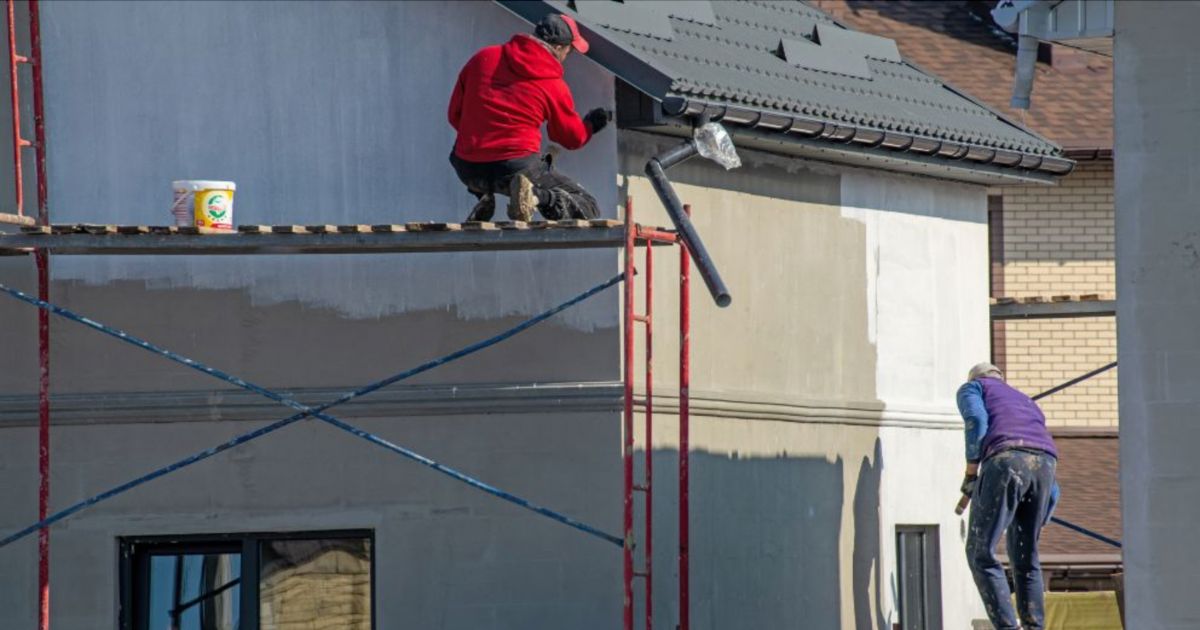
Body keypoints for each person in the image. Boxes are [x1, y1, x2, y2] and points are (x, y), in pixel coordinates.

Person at [447, 13, 609, 222]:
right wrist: (591, 124)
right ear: (558, 48)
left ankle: (484, 196)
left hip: (467, 169)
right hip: (515, 168)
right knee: (588, 205)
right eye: (569, 51)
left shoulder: (482, 59)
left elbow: (455, 116)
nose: (567, 57)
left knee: (466, 153)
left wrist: (483, 142)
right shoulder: (553, 83)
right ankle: (535, 197)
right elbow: (570, 138)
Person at [956, 362, 1059, 630]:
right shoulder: (1026, 401)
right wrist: (1041, 513)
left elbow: (976, 420)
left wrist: (971, 472)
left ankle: (1006, 627)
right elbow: (1053, 488)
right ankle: (1033, 627)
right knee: (1026, 557)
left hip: (1006, 460)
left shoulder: (973, 387)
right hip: (1045, 466)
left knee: (980, 552)